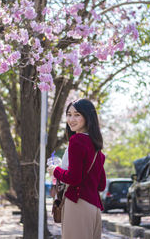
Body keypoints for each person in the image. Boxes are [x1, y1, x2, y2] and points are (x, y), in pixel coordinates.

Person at [47, 98, 106, 239]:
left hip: (77, 204)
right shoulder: (97, 148)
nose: (71, 119)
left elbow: (74, 178)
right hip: (94, 208)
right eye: (69, 114)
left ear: (87, 116)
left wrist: (55, 170)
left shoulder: (77, 140)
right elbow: (101, 185)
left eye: (77, 114)